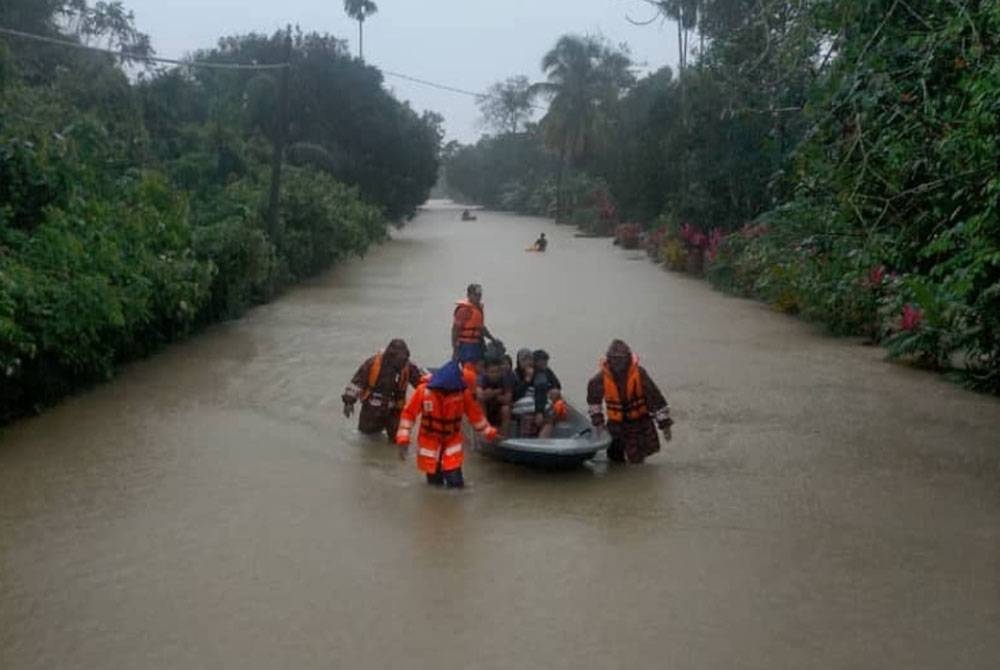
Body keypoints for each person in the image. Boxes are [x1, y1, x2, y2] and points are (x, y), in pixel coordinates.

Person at [396, 360, 498, 488]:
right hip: (430, 444)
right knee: (434, 485)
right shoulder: (423, 391)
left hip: (452, 441)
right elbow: (408, 415)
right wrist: (403, 439)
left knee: (456, 484)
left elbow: (475, 416)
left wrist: (490, 433)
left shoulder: (462, 393)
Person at [587, 340, 673, 464]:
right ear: (608, 359)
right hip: (615, 425)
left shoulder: (640, 374)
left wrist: (665, 425)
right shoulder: (599, 379)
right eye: (614, 359)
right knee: (615, 460)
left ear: (627, 359)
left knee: (637, 461)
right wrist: (598, 422)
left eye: (620, 359)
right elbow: (594, 402)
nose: (617, 363)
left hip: (639, 423)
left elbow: (655, 399)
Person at [342, 339, 424, 441]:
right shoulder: (372, 364)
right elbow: (356, 383)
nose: (403, 364)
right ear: (390, 357)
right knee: (366, 439)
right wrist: (349, 401)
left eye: (405, 360)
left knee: (398, 439)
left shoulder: (408, 366)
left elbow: (422, 384)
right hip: (372, 410)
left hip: (395, 411)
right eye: (400, 362)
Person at [452, 283, 498, 365]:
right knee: (467, 367)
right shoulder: (464, 310)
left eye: (479, 295)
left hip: (477, 344)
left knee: (479, 365)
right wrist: (455, 350)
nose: (478, 297)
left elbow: (481, 328)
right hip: (466, 345)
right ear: (469, 295)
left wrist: (492, 339)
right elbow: (455, 330)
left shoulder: (478, 309)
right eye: (475, 295)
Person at [476, 355, 515, 438]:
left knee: (506, 409)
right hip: (487, 407)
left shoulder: (505, 378)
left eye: (497, 372)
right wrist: (497, 392)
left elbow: (508, 399)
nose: (495, 374)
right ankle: (485, 431)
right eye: (492, 372)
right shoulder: (482, 378)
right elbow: (480, 396)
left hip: (499, 407)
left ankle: (503, 437)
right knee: (480, 403)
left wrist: (491, 394)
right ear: (486, 371)